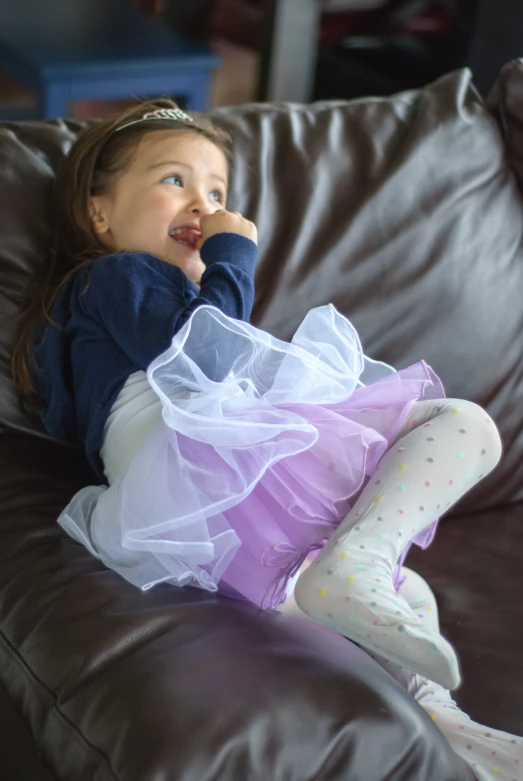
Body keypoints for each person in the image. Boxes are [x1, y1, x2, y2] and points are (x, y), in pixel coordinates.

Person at [11, 99, 521, 780]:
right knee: (462, 423)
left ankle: (451, 731)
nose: (202, 203)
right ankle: (360, 559)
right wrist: (229, 255)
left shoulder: (86, 325)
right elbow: (207, 357)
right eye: (174, 181)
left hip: (204, 524)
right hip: (208, 459)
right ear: (98, 213)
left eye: (217, 191)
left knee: (410, 601)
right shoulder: (117, 275)